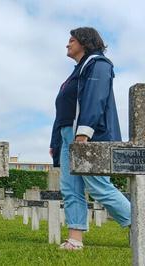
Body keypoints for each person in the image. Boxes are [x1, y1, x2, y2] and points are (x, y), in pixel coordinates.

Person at [50, 27, 131, 250]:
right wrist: (55, 142)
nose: (67, 44)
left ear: (84, 42)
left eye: (72, 40)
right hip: (68, 135)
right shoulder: (74, 73)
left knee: (98, 187)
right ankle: (75, 239)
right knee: (70, 187)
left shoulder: (99, 64)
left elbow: (96, 98)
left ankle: (139, 225)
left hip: (89, 134)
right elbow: (62, 110)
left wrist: (83, 133)